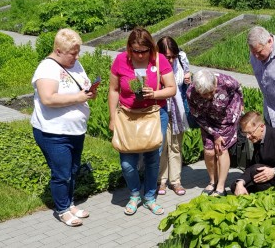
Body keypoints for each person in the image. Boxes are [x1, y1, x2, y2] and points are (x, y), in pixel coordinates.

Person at [31, 28, 96, 227]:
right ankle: (62, 210)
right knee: (61, 173)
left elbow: (80, 85)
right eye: (72, 53)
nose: (76, 57)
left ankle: (70, 204)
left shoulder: (75, 64)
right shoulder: (47, 69)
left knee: (73, 170)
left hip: (76, 130)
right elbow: (48, 98)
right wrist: (78, 97)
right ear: (58, 51)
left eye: (78, 52)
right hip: (53, 131)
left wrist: (89, 92)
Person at [108, 27, 176, 215]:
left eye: (143, 51)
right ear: (129, 48)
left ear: (151, 48)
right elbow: (113, 90)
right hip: (128, 115)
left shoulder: (159, 60)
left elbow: (171, 89)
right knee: (127, 162)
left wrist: (154, 93)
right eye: (135, 51)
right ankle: (135, 193)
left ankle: (150, 197)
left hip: (153, 114)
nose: (139, 55)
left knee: (152, 158)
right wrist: (113, 117)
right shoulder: (120, 60)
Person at [186, 69, 243, 197]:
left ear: (215, 84)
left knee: (221, 149)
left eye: (210, 92)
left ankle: (221, 187)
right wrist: (214, 134)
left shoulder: (227, 82)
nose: (208, 96)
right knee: (209, 151)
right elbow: (197, 116)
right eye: (204, 94)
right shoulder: (191, 93)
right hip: (207, 121)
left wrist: (240, 106)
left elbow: (238, 87)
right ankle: (212, 181)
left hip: (226, 119)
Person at [156, 36, 191, 196]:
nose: (170, 60)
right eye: (167, 56)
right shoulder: (154, 64)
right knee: (161, 146)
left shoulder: (182, 60)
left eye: (173, 56)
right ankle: (160, 181)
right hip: (160, 110)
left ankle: (176, 181)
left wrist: (188, 79)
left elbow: (186, 85)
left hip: (177, 110)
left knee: (176, 146)